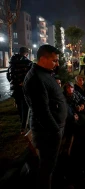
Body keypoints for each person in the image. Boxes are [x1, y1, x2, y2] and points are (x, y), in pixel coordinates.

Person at [23, 45, 67, 189]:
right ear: (43, 59)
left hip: (53, 130)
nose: (57, 64)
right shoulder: (35, 79)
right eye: (54, 60)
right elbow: (42, 111)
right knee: (46, 168)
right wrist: (56, 131)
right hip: (47, 133)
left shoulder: (44, 73)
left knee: (50, 166)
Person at [7, 47, 33, 134]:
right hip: (25, 89)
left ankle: (23, 124)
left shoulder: (12, 62)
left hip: (15, 88)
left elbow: (8, 76)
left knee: (19, 107)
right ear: (26, 53)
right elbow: (31, 76)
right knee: (26, 107)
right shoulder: (28, 63)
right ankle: (24, 127)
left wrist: (15, 82)